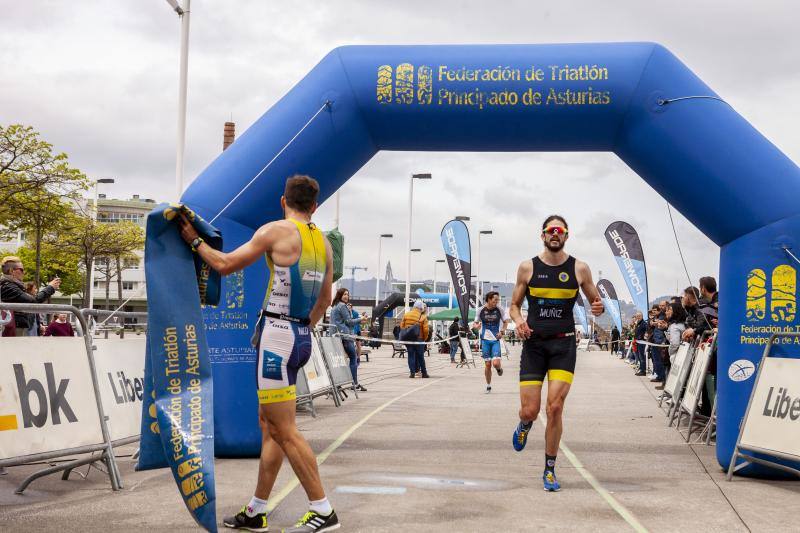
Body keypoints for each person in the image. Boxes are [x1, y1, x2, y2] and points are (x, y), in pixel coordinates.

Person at [178, 175, 340, 532]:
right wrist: (301, 328)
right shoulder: (324, 243)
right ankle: (256, 510)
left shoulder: (275, 231)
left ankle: (323, 510)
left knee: (284, 430)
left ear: (283, 201)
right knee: (269, 426)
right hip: (299, 335)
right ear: (314, 206)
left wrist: (193, 241)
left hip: (277, 338)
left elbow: (223, 263)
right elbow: (325, 299)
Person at [508, 215, 603, 492]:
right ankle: (525, 424)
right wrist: (518, 321)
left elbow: (596, 302)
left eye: (560, 231)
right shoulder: (527, 268)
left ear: (566, 236)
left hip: (563, 345)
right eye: (550, 230)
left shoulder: (579, 269)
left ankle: (549, 470)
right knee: (531, 409)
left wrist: (598, 308)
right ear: (542, 235)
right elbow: (514, 305)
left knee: (555, 407)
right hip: (534, 345)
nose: (555, 234)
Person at [0, 256, 60, 337]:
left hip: (15, 326)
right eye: (21, 269)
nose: (24, 272)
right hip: (13, 327)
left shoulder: (11, 285)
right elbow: (34, 301)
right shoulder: (8, 286)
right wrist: (50, 287)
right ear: (12, 271)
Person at [472, 291, 509, 393]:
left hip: (495, 340)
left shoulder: (499, 309)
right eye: (495, 300)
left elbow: (506, 322)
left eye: (498, 300)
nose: (497, 302)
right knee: (488, 364)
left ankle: (498, 369)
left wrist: (502, 331)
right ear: (488, 299)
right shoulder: (480, 310)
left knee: (496, 363)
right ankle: (488, 386)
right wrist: (476, 326)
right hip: (485, 340)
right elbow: (475, 324)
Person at [331, 289, 367, 392]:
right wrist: (361, 319)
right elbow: (349, 322)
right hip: (345, 336)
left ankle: (338, 383)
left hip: (336, 336)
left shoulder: (335, 305)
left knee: (338, 360)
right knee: (353, 357)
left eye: (347, 294)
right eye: (344, 294)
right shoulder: (342, 306)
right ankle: (354, 383)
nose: (346, 296)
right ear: (340, 295)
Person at [400, 299, 430, 378]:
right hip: (419, 339)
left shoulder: (406, 315)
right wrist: (424, 338)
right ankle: (424, 373)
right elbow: (426, 330)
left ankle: (412, 372)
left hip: (409, 339)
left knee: (410, 355)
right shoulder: (423, 317)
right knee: (420, 356)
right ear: (421, 308)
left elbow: (402, 326)